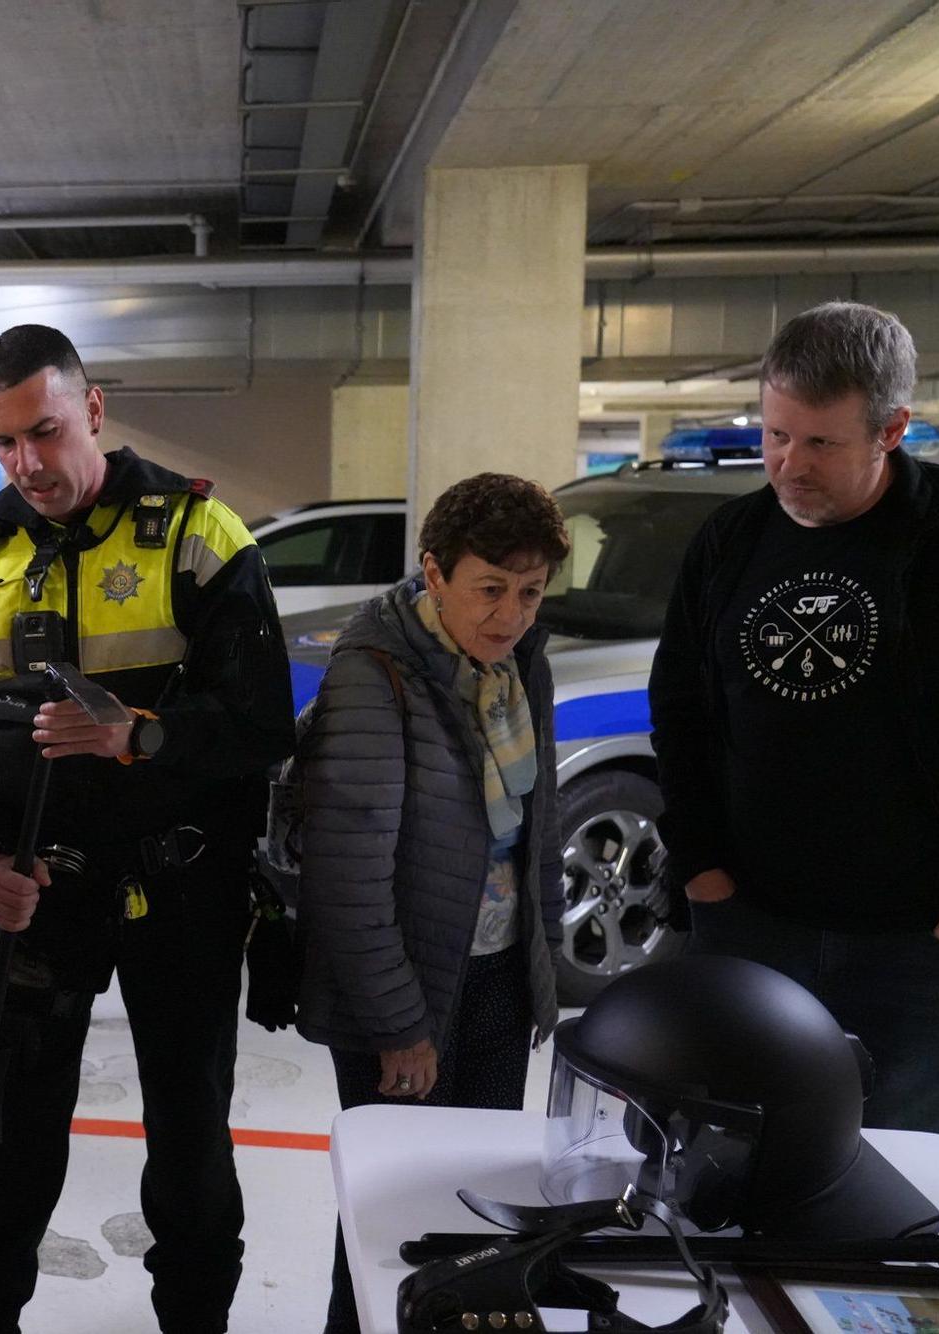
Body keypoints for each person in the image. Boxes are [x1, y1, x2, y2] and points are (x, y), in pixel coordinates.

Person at [0, 324, 294, 1334]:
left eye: (42, 431)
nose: (25, 463)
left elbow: (261, 723)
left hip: (183, 894)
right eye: (1, 442)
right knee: (9, 1140)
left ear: (92, 408)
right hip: (41, 900)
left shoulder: (199, 536)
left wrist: (141, 735)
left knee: (190, 1140)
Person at [650, 300, 939, 1141]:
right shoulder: (731, 539)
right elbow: (681, 710)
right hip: (751, 922)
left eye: (820, 443)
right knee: (731, 1161)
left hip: (927, 944)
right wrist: (701, 867)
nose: (788, 465)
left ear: (893, 430)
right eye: (775, 434)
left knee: (905, 1172)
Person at [294, 472, 569, 1333]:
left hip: (494, 975)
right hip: (406, 993)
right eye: (490, 589)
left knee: (480, 1203)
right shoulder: (374, 673)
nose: (511, 613)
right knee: (392, 1218)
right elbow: (348, 872)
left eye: (530, 592)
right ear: (435, 572)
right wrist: (397, 1026)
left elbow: (539, 827)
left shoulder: (520, 665)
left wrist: (542, 973)